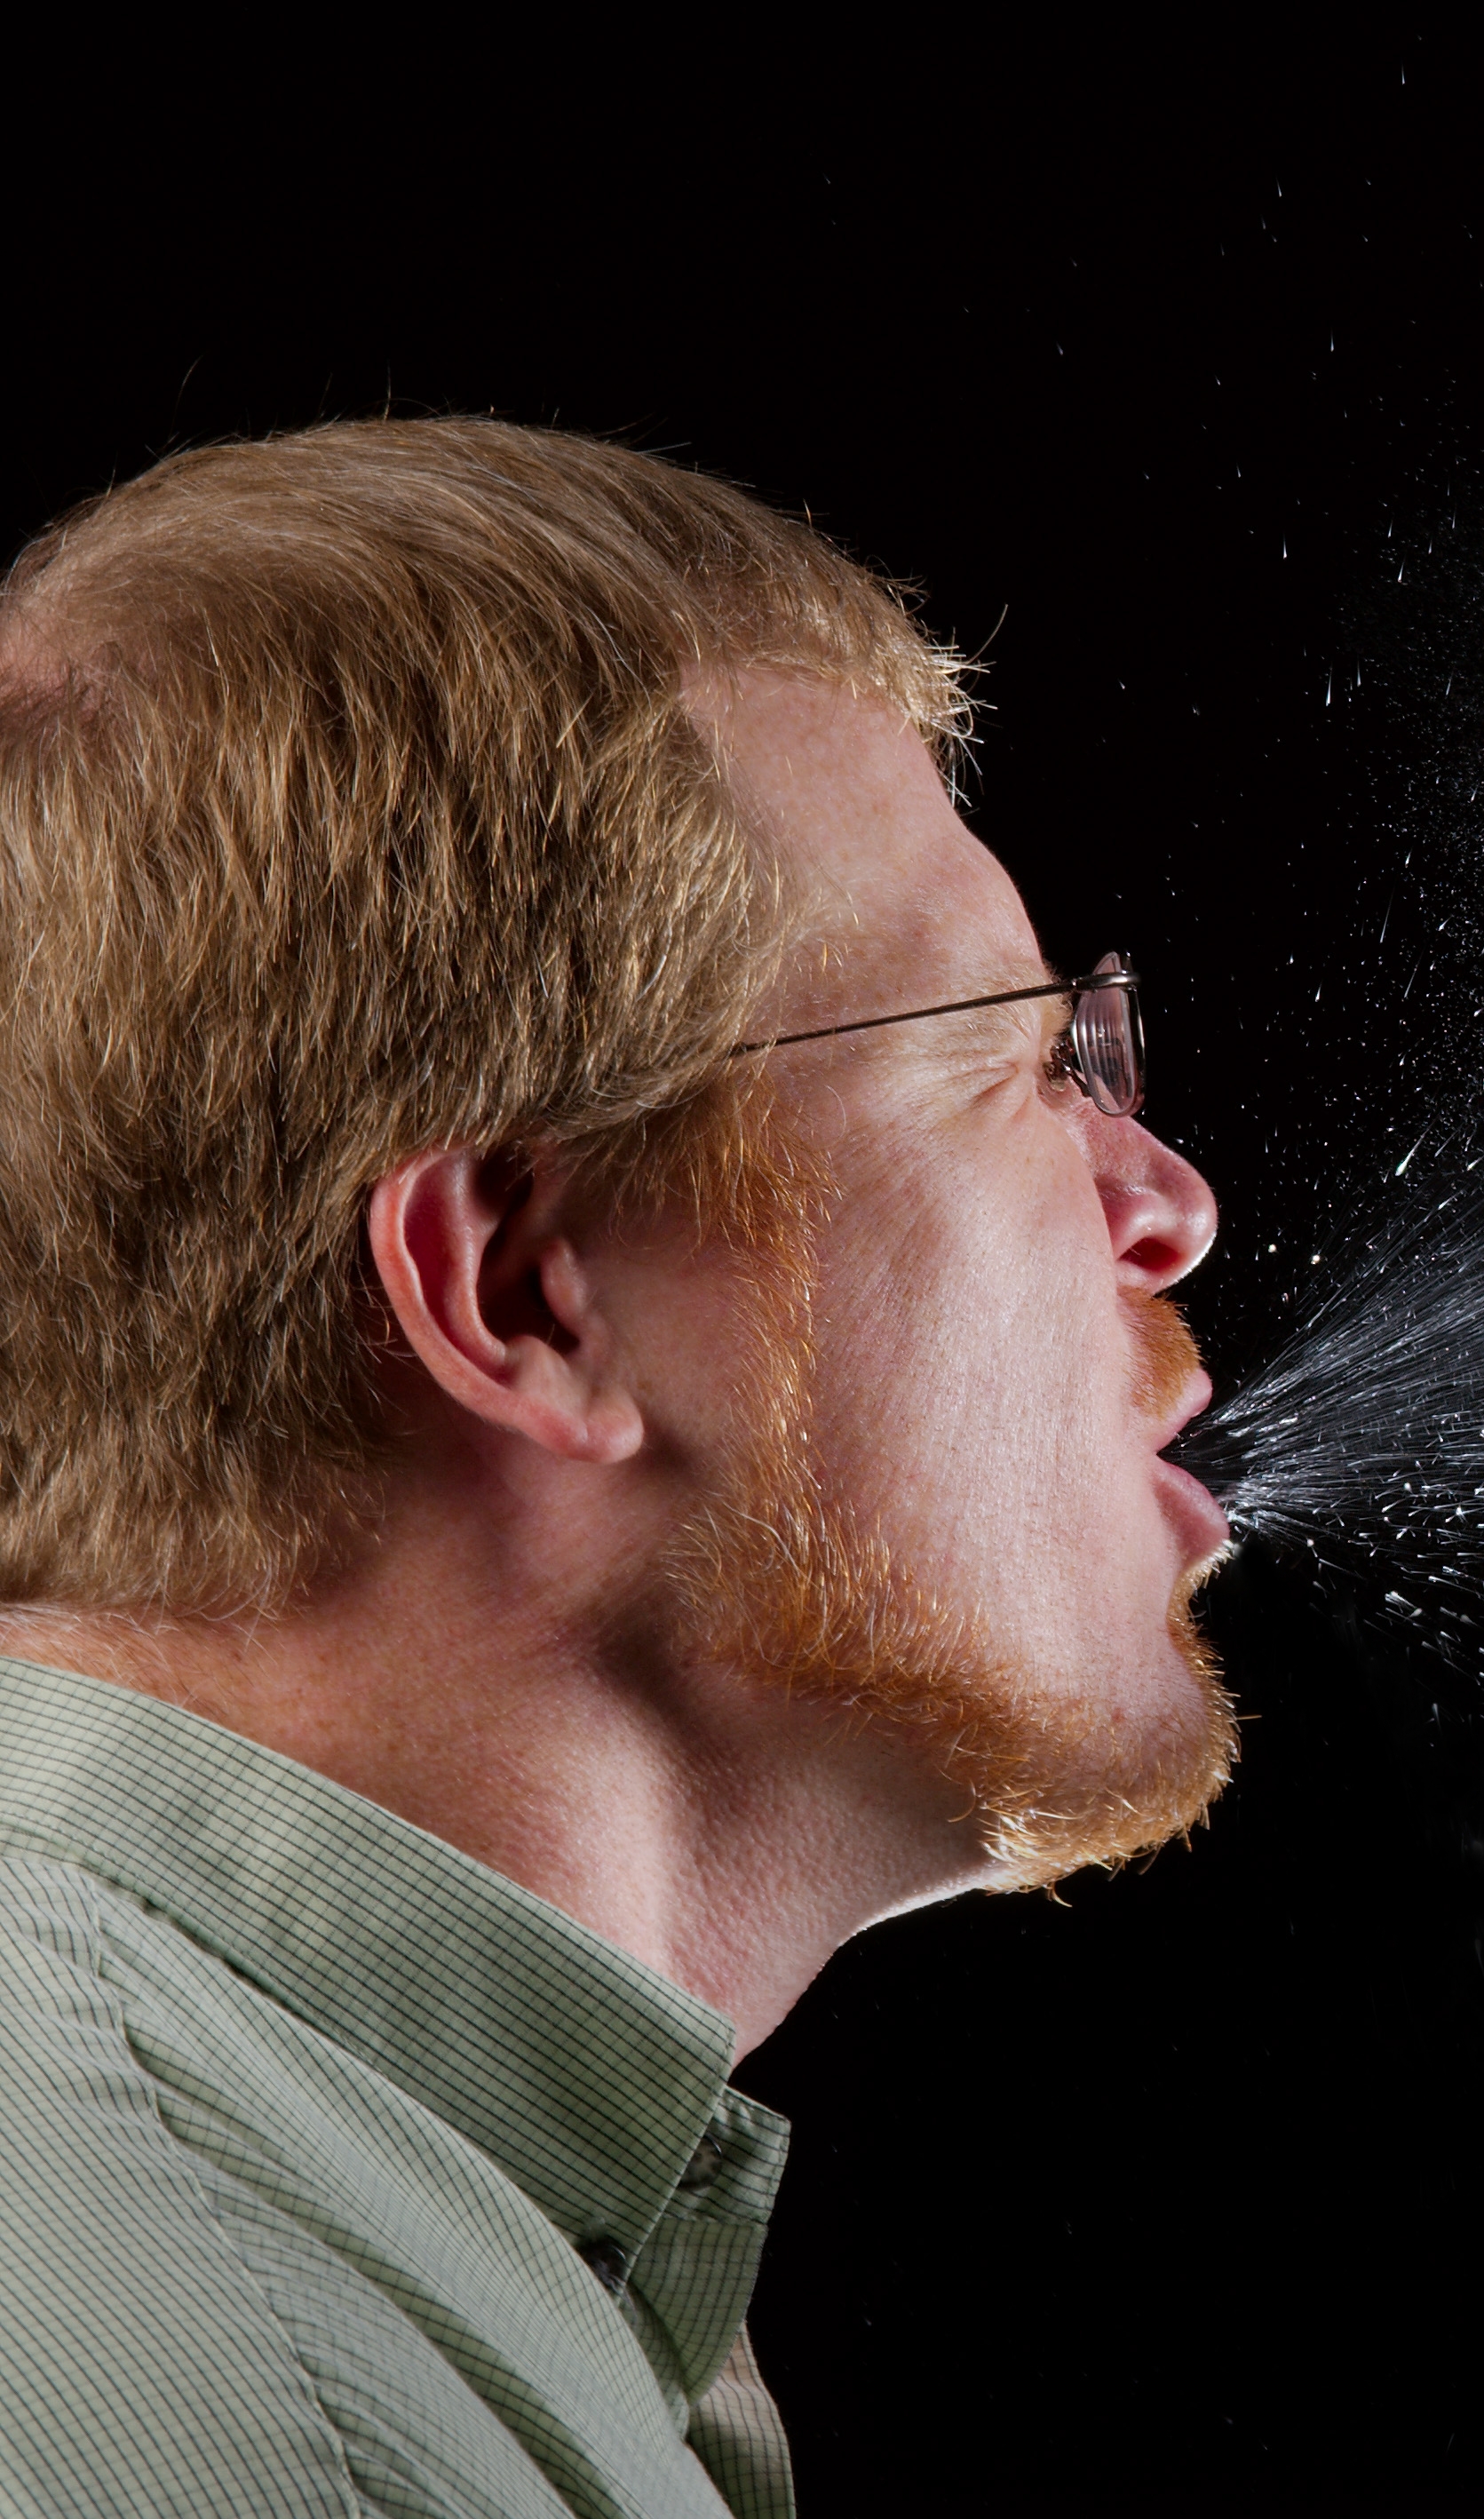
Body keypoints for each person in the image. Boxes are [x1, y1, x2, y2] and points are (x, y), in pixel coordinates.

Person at [0, 419, 1237, 2516]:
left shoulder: (337, 2221)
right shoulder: (268, 2421)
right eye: (1016, 1060)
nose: (1166, 1203)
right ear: (527, 1288)